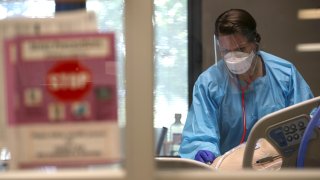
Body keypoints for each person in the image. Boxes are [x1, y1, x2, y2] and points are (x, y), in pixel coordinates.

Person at [179, 9, 314, 165]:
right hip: (231, 172)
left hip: (279, 168)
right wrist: (202, 151)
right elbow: (200, 134)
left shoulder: (284, 74)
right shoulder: (209, 83)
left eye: (240, 49)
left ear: (255, 43)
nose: (233, 57)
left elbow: (306, 119)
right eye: (226, 51)